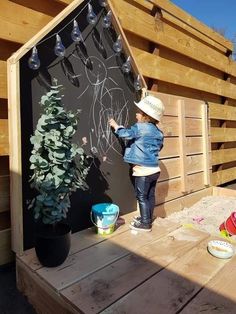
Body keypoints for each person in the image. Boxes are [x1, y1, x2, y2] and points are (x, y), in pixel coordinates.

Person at [108, 93, 165, 232]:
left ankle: (145, 224)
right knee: (150, 196)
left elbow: (125, 134)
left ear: (146, 115)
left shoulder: (140, 128)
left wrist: (116, 126)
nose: (136, 115)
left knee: (141, 197)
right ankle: (148, 217)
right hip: (154, 170)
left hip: (143, 171)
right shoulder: (159, 132)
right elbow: (160, 146)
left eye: (139, 112)